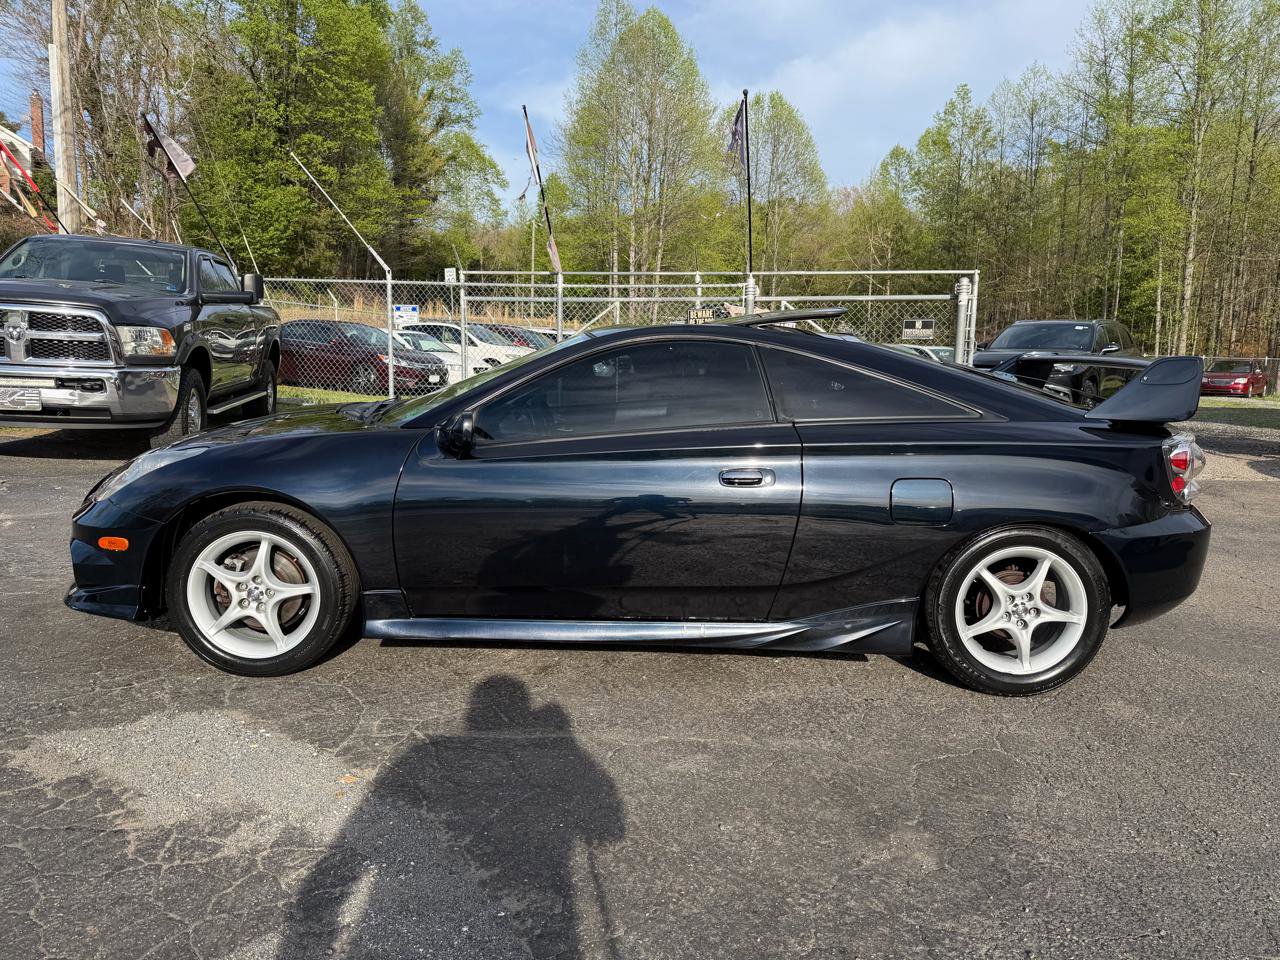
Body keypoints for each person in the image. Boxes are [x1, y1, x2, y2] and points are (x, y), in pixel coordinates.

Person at [277, 674, 625, 958]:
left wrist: (319, 911)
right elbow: (611, 827)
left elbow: (355, 834)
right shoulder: (572, 755)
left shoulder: (421, 753)